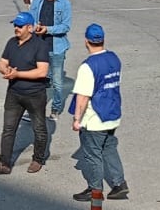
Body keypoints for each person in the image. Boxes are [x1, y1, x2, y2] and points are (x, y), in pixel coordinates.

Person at [69, 24, 129, 202]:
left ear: (86, 41)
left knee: (92, 154)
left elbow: (83, 96)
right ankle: (119, 184)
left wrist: (77, 119)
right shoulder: (114, 58)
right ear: (103, 39)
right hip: (112, 114)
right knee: (109, 148)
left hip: (95, 118)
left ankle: (95, 190)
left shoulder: (88, 66)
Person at [0, 12, 50, 175]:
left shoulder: (40, 45)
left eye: (20, 26)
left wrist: (18, 74)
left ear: (29, 28)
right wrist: (5, 70)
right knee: (8, 129)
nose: (16, 28)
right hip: (14, 93)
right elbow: (2, 62)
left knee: (39, 129)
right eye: (15, 25)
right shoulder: (11, 43)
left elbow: (42, 72)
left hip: (35, 95)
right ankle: (5, 163)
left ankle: (38, 159)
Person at [29, 0, 72, 120]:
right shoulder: (37, 1)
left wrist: (48, 29)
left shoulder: (64, 3)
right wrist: (35, 27)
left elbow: (65, 26)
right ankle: (34, 111)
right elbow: (31, 20)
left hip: (57, 48)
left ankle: (55, 109)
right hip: (39, 48)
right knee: (36, 81)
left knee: (57, 82)